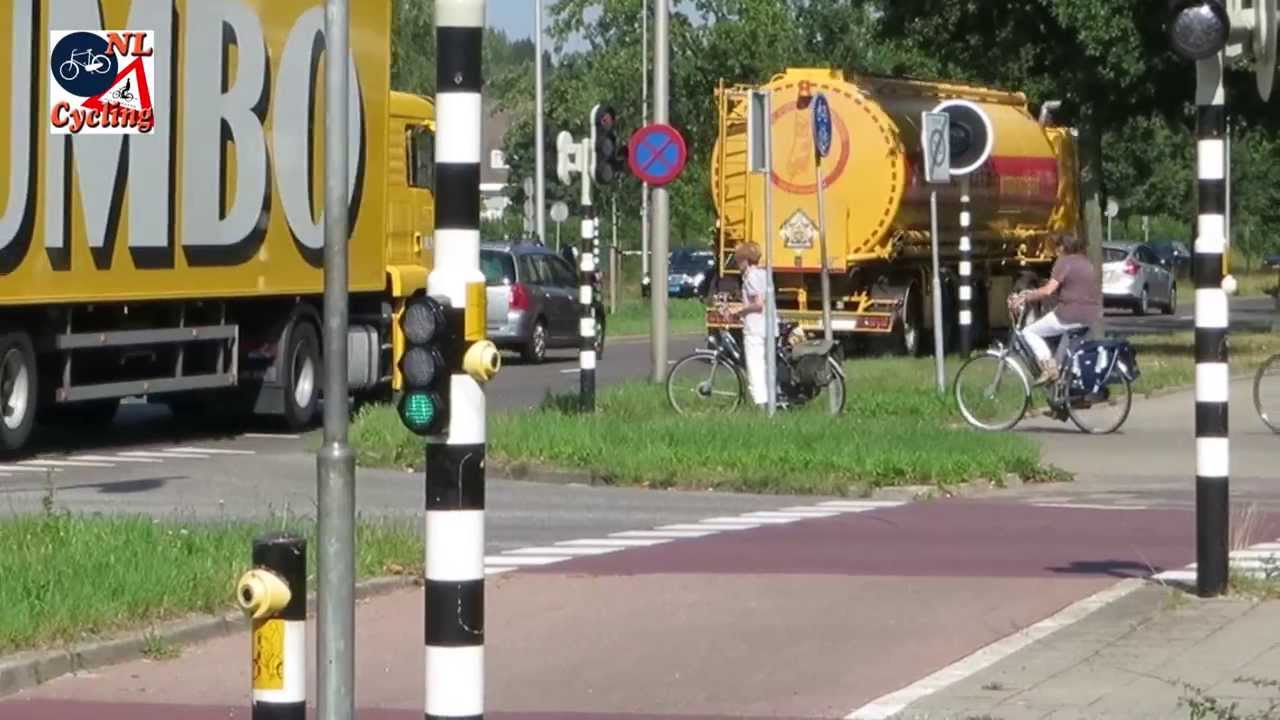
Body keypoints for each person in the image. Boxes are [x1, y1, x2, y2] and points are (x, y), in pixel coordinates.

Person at [1010, 233, 1102, 384]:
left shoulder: (1064, 262)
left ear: (1063, 247)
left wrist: (1025, 297)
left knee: (1029, 332)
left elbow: (1048, 291)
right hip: (1089, 317)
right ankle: (1069, 394)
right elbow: (1070, 289)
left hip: (1068, 315)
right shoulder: (1086, 262)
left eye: (1056, 248)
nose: (1055, 252)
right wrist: (1037, 292)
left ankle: (1047, 366)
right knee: (1063, 360)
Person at [724, 241, 773, 407]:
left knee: (755, 369)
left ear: (745, 260)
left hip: (755, 328)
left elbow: (758, 304)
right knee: (767, 366)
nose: (737, 265)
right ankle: (772, 400)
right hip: (769, 326)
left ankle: (761, 404)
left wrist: (739, 311)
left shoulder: (751, 277)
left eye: (738, 260)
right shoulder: (763, 274)